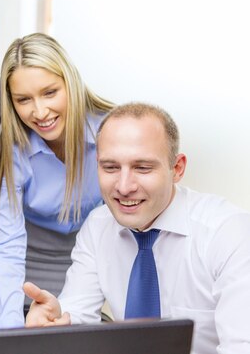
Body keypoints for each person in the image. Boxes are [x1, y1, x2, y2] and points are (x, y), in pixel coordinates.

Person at [24, 103, 250, 354]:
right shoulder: (98, 226)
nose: (123, 186)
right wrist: (58, 323)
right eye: (110, 167)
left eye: (142, 168)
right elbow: (78, 314)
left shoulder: (228, 233)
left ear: (177, 168)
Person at [0, 33, 113, 328]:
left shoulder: (110, 130)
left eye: (50, 92)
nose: (39, 112)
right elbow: (7, 246)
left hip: (91, 259)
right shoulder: (11, 150)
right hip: (30, 263)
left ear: (70, 82)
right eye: (24, 100)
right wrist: (11, 334)